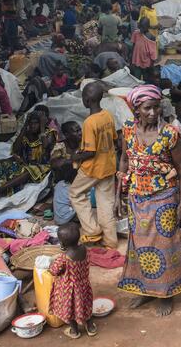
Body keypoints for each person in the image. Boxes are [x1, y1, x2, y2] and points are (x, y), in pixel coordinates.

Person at [117, 85, 181, 317]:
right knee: (140, 246)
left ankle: (167, 293)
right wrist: (119, 193)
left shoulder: (169, 133)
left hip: (164, 197)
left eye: (156, 107)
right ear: (137, 109)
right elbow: (124, 161)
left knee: (165, 245)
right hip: (137, 198)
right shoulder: (128, 130)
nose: (153, 112)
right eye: (148, 108)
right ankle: (146, 290)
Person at [69, 83, 118, 249]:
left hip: (93, 169)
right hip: (109, 166)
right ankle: (111, 241)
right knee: (105, 204)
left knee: (75, 193)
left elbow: (90, 152)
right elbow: (114, 139)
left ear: (87, 100)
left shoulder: (89, 122)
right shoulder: (108, 115)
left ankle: (92, 230)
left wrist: (75, 156)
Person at [0, 110, 54, 200]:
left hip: (42, 167)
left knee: (29, 170)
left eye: (36, 123)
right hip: (26, 164)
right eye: (31, 123)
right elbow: (16, 149)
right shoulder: (28, 133)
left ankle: (0, 190)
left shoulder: (49, 133)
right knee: (12, 162)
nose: (33, 126)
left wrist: (42, 129)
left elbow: (46, 147)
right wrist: (24, 128)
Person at [49, 223, 96, 339]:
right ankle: (90, 328)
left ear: (62, 243)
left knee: (70, 310)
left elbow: (54, 271)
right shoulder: (84, 249)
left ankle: (74, 331)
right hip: (83, 286)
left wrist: (50, 264)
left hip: (68, 290)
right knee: (85, 306)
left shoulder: (63, 258)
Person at [51, 121, 82, 225]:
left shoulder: (85, 143)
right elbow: (55, 164)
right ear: (66, 134)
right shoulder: (60, 146)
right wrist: (74, 160)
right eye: (76, 131)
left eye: (80, 130)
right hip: (66, 182)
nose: (80, 133)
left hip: (83, 181)